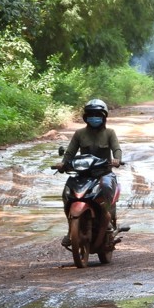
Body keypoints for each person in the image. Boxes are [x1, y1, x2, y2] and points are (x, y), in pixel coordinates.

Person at [56, 99, 122, 246]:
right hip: (83, 174)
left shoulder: (110, 133)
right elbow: (70, 152)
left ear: (104, 117)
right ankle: (70, 229)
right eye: (91, 115)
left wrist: (117, 159)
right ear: (86, 117)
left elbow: (116, 149)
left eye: (97, 115)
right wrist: (63, 164)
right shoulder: (79, 134)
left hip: (104, 174)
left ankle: (109, 222)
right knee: (66, 194)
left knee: (105, 188)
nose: (94, 117)